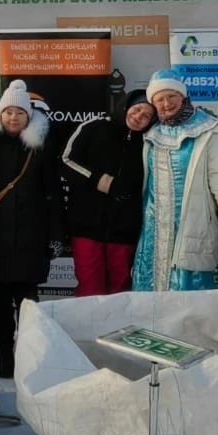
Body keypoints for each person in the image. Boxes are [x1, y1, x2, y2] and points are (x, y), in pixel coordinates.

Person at [132, 68, 218, 292]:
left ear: (183, 96)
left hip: (191, 234)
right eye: (159, 99)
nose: (166, 103)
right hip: (152, 238)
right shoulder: (149, 133)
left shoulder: (208, 131)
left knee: (189, 309)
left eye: (171, 96)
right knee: (149, 306)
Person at [0, 80, 65, 378]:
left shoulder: (40, 149)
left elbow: (53, 195)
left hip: (30, 238)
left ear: (28, 116)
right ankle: (6, 357)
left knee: (28, 303)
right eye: (9, 112)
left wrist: (55, 236)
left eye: (19, 113)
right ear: (0, 114)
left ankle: (29, 353)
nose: (13, 118)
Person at [60, 88, 153, 295]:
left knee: (121, 289)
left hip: (124, 230)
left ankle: (120, 329)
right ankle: (89, 328)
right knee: (90, 289)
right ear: (127, 106)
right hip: (87, 226)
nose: (139, 117)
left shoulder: (149, 142)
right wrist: (102, 181)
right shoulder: (95, 127)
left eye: (146, 115)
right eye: (137, 109)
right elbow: (66, 161)